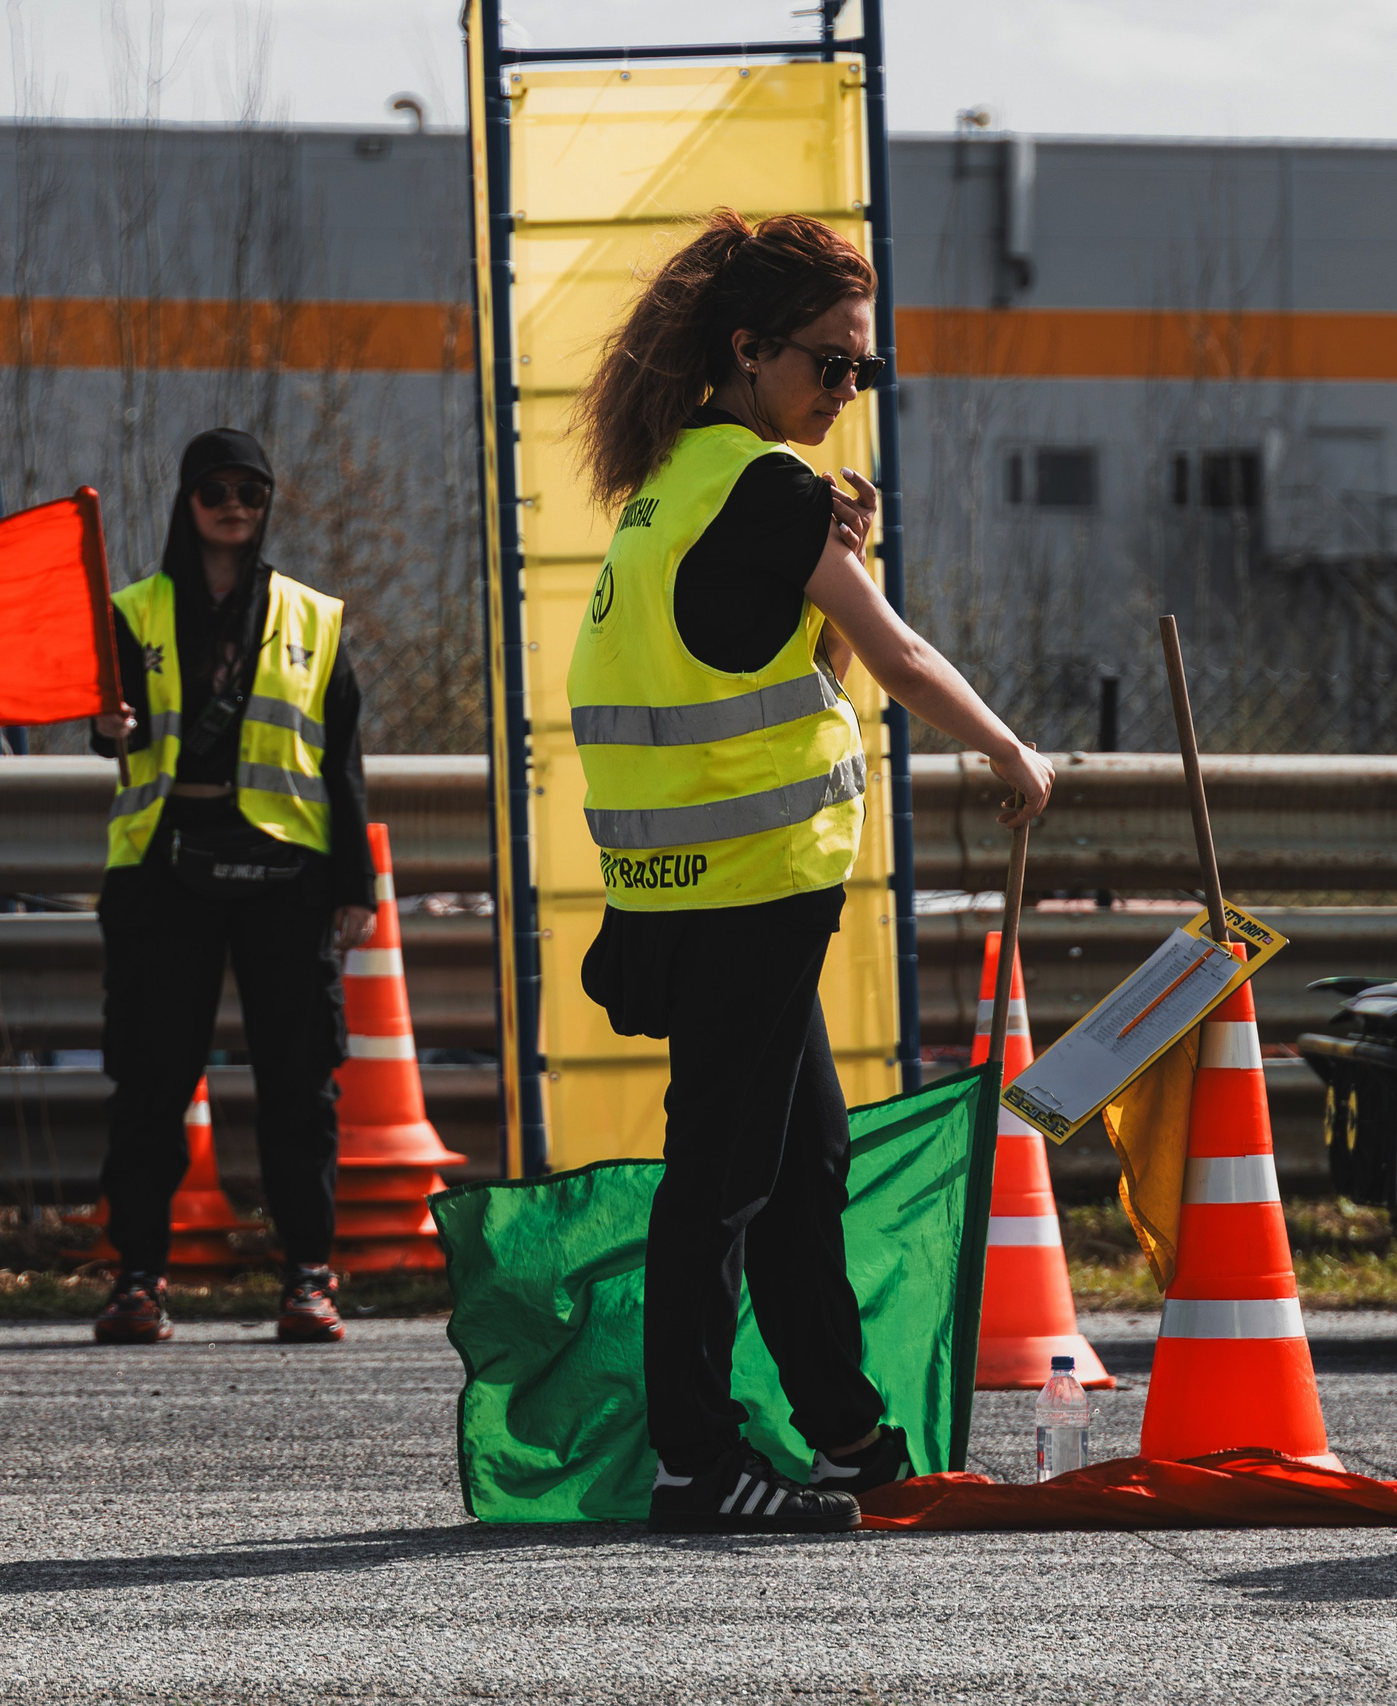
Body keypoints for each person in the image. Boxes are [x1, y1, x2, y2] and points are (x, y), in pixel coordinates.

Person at [567, 210, 1055, 1534]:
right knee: (722, 1177)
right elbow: (896, 660)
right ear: (748, 349)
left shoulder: (671, 484)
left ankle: (847, 1431)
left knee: (804, 1163)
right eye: (830, 363)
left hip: (694, 891)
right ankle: (696, 1460)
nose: (847, 389)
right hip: (749, 891)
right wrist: (1013, 752)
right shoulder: (770, 491)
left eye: (862, 370)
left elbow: (783, 679)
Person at [88, 428, 377, 1347]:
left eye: (251, 490)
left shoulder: (312, 616)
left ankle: (307, 1279)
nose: (234, 505)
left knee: (301, 1087)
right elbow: (112, 732)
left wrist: (354, 882)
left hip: (285, 875)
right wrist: (106, 725)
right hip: (163, 871)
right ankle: (136, 1281)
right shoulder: (131, 612)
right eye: (216, 489)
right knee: (151, 1080)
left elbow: (342, 762)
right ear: (187, 499)